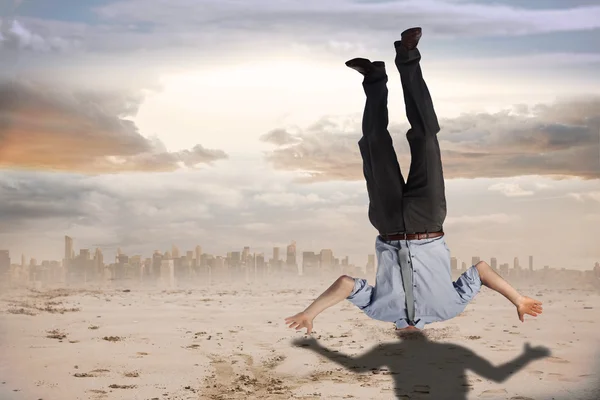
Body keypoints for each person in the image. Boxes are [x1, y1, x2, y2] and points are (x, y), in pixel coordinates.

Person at [285, 27, 543, 334]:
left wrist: (310, 313)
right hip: (429, 221)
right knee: (425, 138)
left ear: (395, 334)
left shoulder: (379, 311)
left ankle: (374, 78)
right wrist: (517, 299)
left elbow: (344, 284)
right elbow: (481, 271)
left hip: (389, 222)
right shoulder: (450, 308)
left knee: (374, 145)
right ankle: (407, 57)